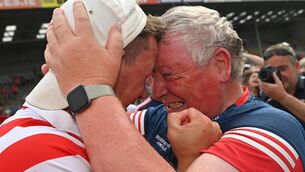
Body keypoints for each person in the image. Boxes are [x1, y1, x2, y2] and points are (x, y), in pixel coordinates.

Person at [45, 3, 305, 172]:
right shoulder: (156, 117)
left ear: (220, 65)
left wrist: (88, 89)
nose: (156, 92)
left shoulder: (273, 132)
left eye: (169, 75)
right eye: (152, 76)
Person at [0, 0, 188, 171]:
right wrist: (188, 157)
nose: (144, 93)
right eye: (146, 76)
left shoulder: (36, 128)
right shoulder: (51, 158)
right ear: (113, 62)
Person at [260, 42, 305, 129]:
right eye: (272, 70)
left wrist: (283, 97)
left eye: (283, 69)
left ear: (296, 66)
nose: (278, 74)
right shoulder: (265, 95)